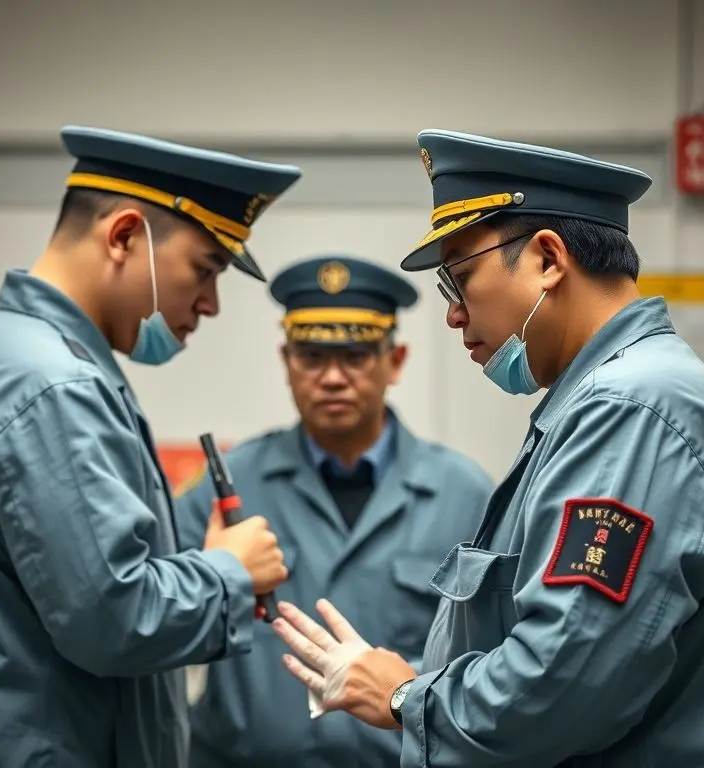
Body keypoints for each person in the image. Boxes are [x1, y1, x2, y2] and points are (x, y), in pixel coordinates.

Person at [270, 130, 704, 767]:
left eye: (460, 278)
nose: (454, 315)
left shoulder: (632, 408)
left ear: (549, 258)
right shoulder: (609, 399)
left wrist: (408, 696)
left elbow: (562, 684)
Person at [0, 124, 302, 768]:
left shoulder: (19, 356)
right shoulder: (53, 385)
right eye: (204, 270)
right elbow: (113, 616)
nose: (209, 304)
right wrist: (231, 569)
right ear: (125, 236)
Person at [173, 254, 496, 768]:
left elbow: (497, 655)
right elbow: (156, 611)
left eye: (356, 354)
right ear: (286, 361)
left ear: (396, 360)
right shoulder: (228, 488)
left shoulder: (464, 493)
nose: (332, 377)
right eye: (312, 355)